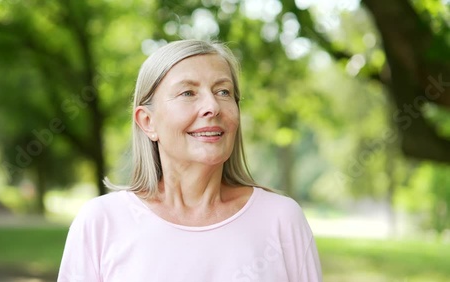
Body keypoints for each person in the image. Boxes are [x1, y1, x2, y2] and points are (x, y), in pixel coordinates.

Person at [57, 39, 322, 282]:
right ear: (148, 122)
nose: (213, 106)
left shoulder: (281, 219)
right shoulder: (101, 222)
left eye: (223, 92)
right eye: (188, 93)